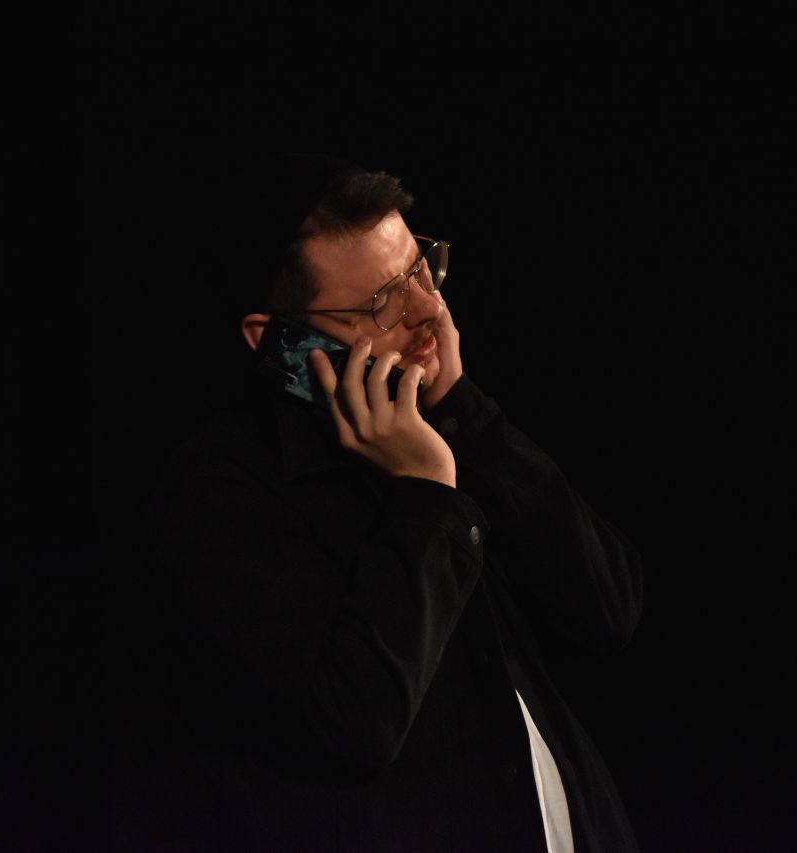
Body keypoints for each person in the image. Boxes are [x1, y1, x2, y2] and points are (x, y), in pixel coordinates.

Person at [146, 154, 643, 852]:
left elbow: (608, 608)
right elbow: (355, 725)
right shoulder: (218, 491)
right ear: (275, 338)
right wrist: (426, 495)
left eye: (419, 270)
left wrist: (467, 413)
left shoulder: (444, 416)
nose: (430, 311)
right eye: (383, 302)